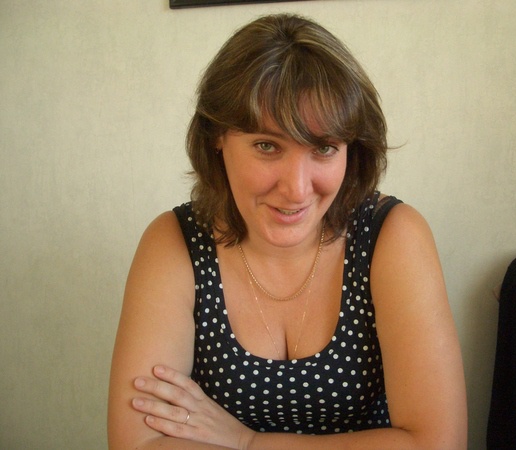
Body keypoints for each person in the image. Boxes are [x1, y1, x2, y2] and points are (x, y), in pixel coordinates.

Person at [107, 13, 467, 450]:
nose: (296, 189)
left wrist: (250, 443)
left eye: (324, 148)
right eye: (267, 146)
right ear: (217, 137)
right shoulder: (174, 243)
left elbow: (438, 443)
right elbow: (140, 443)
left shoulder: (392, 236)